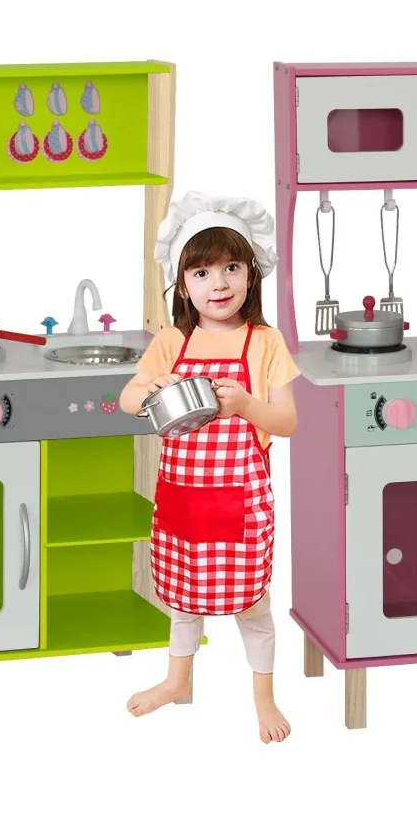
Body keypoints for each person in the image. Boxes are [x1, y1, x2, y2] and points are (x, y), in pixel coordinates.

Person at [119, 192, 300, 743]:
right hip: (184, 497)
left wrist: (244, 404)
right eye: (201, 272)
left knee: (253, 605)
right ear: (182, 285)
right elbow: (129, 400)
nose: (218, 283)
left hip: (241, 500)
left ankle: (264, 697)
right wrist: (153, 386)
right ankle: (176, 680)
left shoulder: (265, 342)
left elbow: (288, 421)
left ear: (251, 274)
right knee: (183, 598)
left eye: (231, 268)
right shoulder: (171, 341)